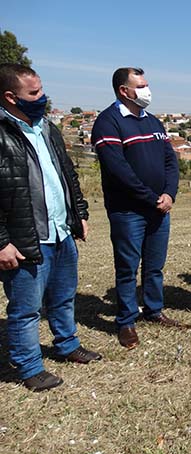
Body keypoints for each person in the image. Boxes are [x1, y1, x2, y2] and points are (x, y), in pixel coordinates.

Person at [0, 63, 101, 391]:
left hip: (60, 231)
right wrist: (2, 242)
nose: (42, 97)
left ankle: (68, 345)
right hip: (26, 238)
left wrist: (79, 214)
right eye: (34, 93)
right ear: (10, 97)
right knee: (26, 308)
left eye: (41, 90)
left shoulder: (46, 128)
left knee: (63, 296)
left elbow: (68, 175)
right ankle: (29, 367)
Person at [91, 67, 190, 350]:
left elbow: (170, 161)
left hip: (159, 208)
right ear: (124, 91)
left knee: (155, 266)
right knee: (127, 269)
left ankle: (154, 310)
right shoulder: (108, 123)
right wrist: (151, 197)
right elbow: (118, 170)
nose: (148, 90)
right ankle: (126, 321)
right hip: (128, 211)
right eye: (142, 85)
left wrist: (169, 194)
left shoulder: (153, 122)